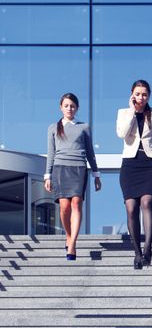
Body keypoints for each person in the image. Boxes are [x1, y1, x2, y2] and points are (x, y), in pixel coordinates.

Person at [44, 93, 102, 261]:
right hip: (60, 169)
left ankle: (72, 244)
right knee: (64, 207)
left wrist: (96, 175)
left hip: (79, 169)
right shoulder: (53, 128)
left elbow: (90, 153)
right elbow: (50, 153)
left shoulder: (84, 127)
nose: (70, 108)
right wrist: (47, 176)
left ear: (77, 108)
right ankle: (68, 235)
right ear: (61, 107)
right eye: (66, 105)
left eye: (73, 106)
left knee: (76, 203)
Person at [116, 80, 152, 269]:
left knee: (147, 203)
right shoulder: (123, 113)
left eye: (144, 94)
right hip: (130, 165)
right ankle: (137, 253)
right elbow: (122, 134)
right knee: (130, 207)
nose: (141, 97)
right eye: (137, 94)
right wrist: (132, 112)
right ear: (132, 95)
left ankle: (148, 248)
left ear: (149, 96)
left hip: (151, 163)